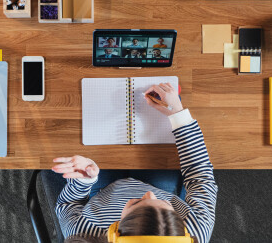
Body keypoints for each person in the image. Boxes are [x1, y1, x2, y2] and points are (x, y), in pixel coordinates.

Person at [52, 84, 217, 242]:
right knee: (170, 100)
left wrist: (84, 180)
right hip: (158, 186)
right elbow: (201, 176)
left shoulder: (85, 234)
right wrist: (178, 115)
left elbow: (68, 205)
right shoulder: (196, 231)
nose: (149, 195)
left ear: (114, 232)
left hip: (102, 194)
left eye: (137, 202)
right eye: (166, 206)